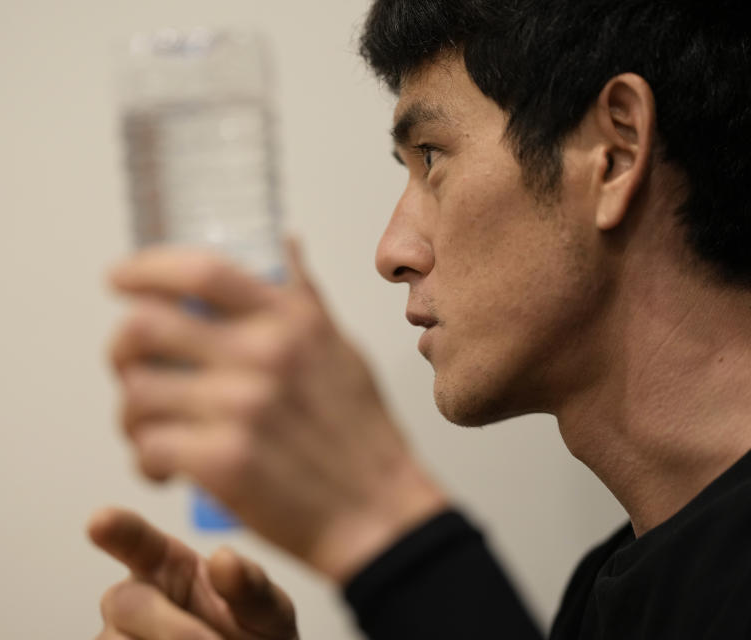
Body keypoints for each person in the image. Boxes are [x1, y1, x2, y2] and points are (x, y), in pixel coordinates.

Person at [90, 0, 751, 637]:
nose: (392, 253)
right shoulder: (608, 591)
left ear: (615, 152)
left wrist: (377, 516)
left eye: (431, 156)